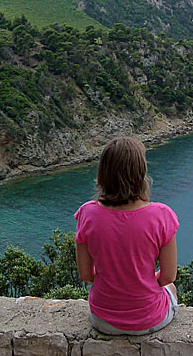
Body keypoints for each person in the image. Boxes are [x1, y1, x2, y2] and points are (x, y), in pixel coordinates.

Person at [75, 136, 179, 335]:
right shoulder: (162, 215)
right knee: (171, 288)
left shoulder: (86, 214)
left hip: (102, 319)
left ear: (103, 173)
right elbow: (167, 276)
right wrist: (141, 284)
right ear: (140, 173)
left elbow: (86, 275)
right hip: (149, 320)